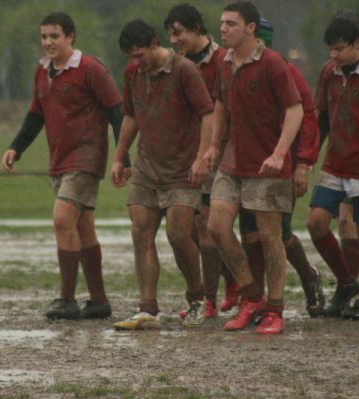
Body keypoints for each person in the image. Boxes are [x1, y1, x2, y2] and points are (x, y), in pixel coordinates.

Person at [0, 12, 124, 320]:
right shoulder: (42, 72)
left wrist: (123, 158)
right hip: (59, 159)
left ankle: (66, 299)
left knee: (61, 220)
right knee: (82, 227)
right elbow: (35, 116)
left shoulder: (91, 69)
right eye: (44, 37)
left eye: (54, 36)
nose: (48, 42)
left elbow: (117, 112)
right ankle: (98, 301)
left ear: (71, 37)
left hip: (86, 158)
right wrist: (16, 147)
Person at [204, 1, 304, 334]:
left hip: (267, 165)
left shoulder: (274, 64)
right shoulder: (223, 62)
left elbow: (295, 111)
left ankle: (275, 309)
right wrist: (212, 148)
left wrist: (279, 154)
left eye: (231, 24)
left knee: (270, 237)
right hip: (232, 162)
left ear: (250, 28)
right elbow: (220, 105)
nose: (223, 29)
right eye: (222, 24)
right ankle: (251, 296)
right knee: (217, 226)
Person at [111, 18, 214, 330]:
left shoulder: (185, 71)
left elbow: (208, 115)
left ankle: (197, 298)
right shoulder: (132, 74)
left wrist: (201, 158)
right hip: (146, 168)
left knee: (178, 234)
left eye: (139, 55)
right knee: (141, 231)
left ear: (155, 44)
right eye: (130, 57)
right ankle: (147, 307)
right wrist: (119, 158)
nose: (135, 62)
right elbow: (130, 117)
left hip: (183, 170)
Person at [237, 17, 325, 318]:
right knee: (249, 235)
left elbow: (308, 117)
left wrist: (303, 163)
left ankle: (309, 278)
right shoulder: (236, 65)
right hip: (245, 165)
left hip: (280, 167)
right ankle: (256, 300)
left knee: (279, 234)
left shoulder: (282, 68)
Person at [307, 14, 359, 320]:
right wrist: (308, 159)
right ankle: (347, 283)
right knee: (315, 222)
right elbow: (323, 119)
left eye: (340, 48)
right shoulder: (328, 71)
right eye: (330, 49)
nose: (334, 55)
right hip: (335, 164)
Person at [163, 2, 228, 320]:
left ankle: (210, 299)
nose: (174, 40)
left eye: (179, 33)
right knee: (186, 230)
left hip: (221, 152)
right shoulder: (175, 64)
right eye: (170, 36)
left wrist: (213, 149)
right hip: (187, 155)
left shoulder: (222, 59)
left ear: (197, 29)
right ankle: (223, 289)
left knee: (207, 226)